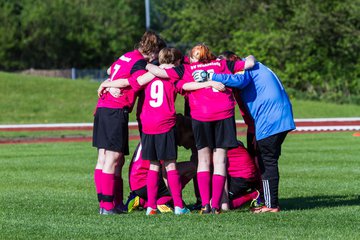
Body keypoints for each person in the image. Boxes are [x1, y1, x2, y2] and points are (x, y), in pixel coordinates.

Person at [146, 43, 255, 214]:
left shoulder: (186, 68)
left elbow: (160, 72)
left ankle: (205, 204)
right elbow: (249, 63)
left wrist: (146, 63)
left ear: (193, 57)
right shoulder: (222, 64)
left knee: (203, 160)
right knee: (220, 161)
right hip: (223, 113)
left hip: (200, 115)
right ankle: (217, 205)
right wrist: (250, 56)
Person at [197, 60, 296, 213]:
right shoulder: (257, 66)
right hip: (278, 118)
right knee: (265, 161)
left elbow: (239, 80)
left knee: (266, 162)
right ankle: (267, 201)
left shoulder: (242, 68)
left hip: (270, 120)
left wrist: (211, 76)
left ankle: (271, 205)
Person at [92, 31, 165, 215]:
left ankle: (109, 203)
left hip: (102, 108)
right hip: (115, 110)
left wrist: (109, 82)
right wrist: (112, 85)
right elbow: (137, 80)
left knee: (107, 158)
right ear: (154, 51)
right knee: (113, 158)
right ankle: (108, 206)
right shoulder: (141, 62)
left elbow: (110, 70)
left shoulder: (126, 56)